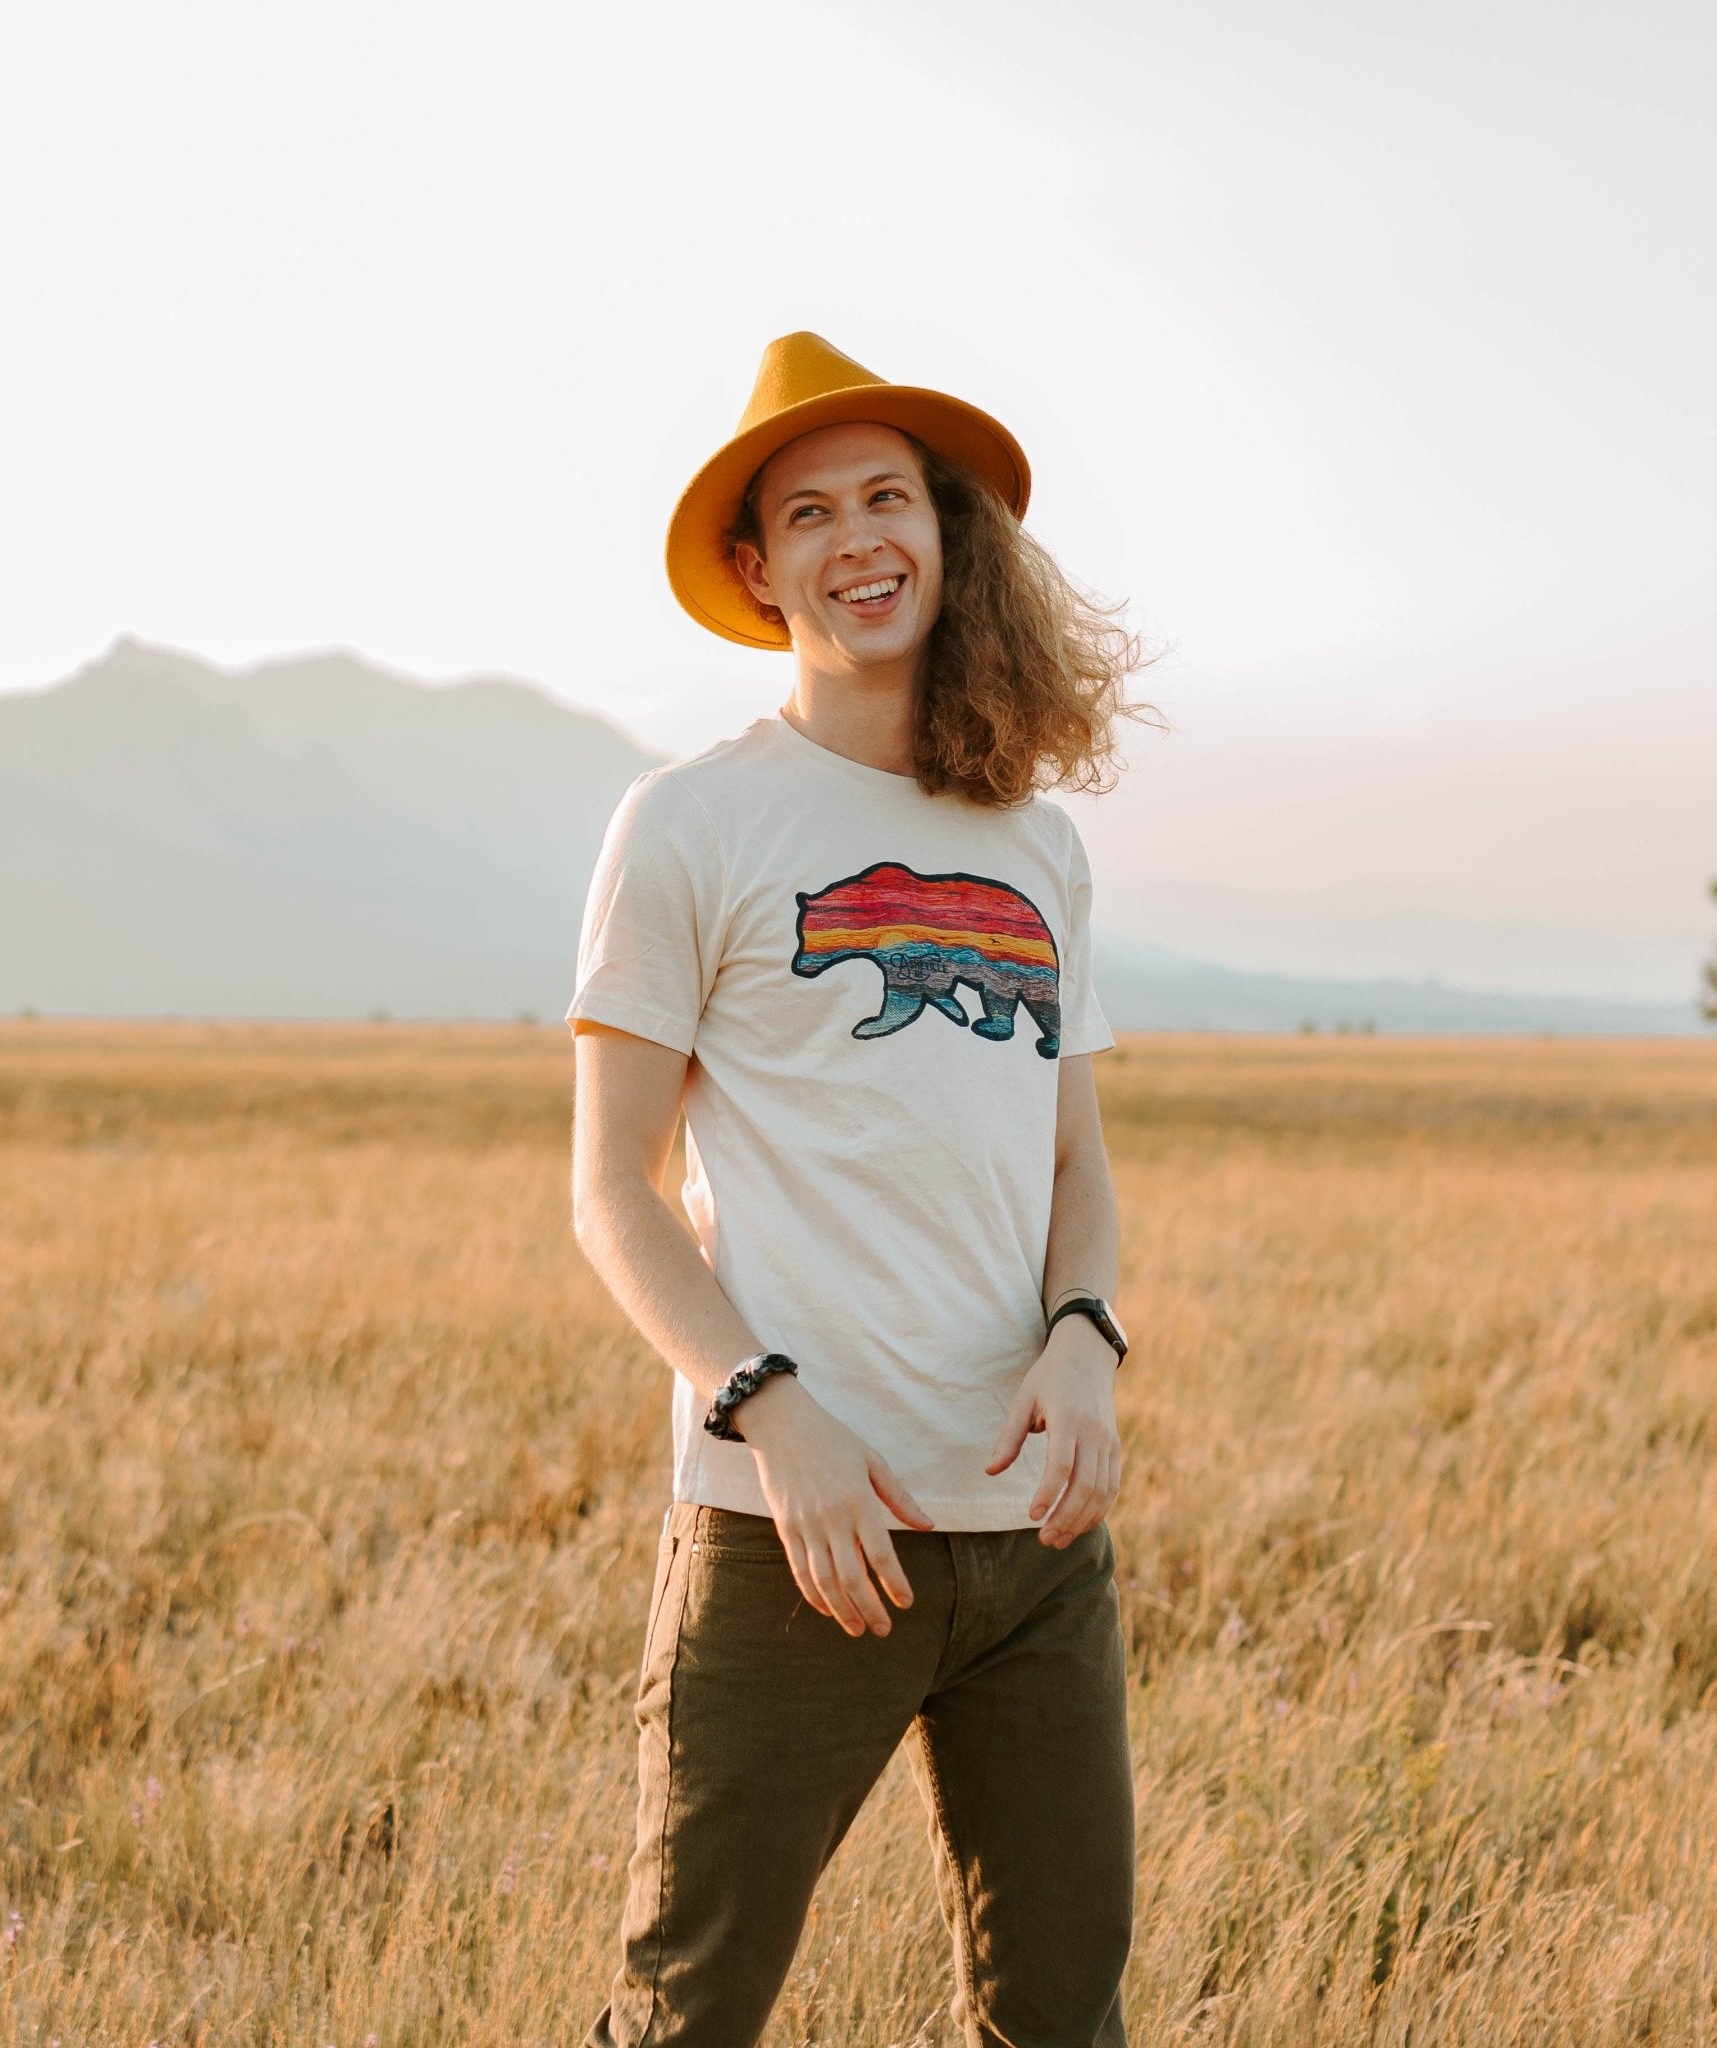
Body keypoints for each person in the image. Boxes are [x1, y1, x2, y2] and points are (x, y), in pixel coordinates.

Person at [569, 331, 1152, 2048]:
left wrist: (1087, 1338)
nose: (858, 538)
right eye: (808, 512)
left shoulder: (1038, 843)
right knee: (689, 2016)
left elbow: (1074, 1158)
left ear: (948, 534)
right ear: (759, 573)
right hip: (790, 1534)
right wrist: (766, 1410)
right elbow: (610, 1187)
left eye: (887, 496)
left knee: (1063, 2020)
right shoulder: (690, 823)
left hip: (1034, 1546)